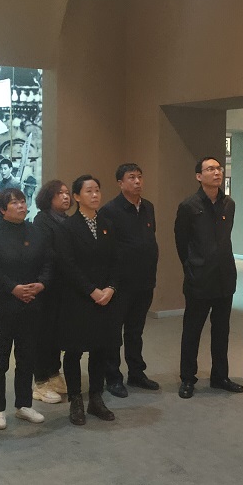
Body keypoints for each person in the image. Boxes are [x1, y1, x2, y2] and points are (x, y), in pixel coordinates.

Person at [0, 187, 52, 430]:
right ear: (2, 209)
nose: (21, 206)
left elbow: (48, 262)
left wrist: (41, 284)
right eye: (14, 203)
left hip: (32, 304)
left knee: (27, 357)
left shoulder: (36, 232)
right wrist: (13, 288)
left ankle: (24, 405)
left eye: (22, 201)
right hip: (3, 305)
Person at [53, 175, 120, 425]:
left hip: (105, 298)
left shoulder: (107, 224)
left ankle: (95, 398)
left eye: (97, 190)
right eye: (89, 191)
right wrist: (92, 290)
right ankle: (75, 400)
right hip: (78, 298)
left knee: (100, 349)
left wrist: (110, 288)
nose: (95, 195)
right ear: (77, 197)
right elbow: (67, 265)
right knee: (74, 351)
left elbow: (116, 260)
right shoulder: (67, 227)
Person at [175, 156, 242, 399]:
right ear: (199, 176)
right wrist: (192, 266)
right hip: (199, 278)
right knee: (192, 330)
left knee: (222, 331)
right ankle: (187, 378)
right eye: (210, 169)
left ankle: (220, 376)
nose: (216, 172)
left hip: (225, 277)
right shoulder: (189, 206)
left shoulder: (229, 204)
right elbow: (181, 241)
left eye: (218, 168)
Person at [100, 163, 160, 397]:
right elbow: (108, 250)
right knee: (114, 333)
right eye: (131, 177)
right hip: (121, 284)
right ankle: (113, 377)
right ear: (120, 183)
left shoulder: (148, 207)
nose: (137, 181)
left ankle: (136, 372)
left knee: (135, 331)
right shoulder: (110, 210)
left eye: (140, 177)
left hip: (145, 281)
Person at [30, 179, 72, 403]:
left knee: (57, 332)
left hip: (64, 286)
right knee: (43, 334)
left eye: (67, 193)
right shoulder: (42, 221)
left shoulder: (68, 220)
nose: (65, 196)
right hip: (47, 286)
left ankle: (54, 373)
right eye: (59, 193)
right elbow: (48, 254)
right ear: (49, 198)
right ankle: (40, 381)